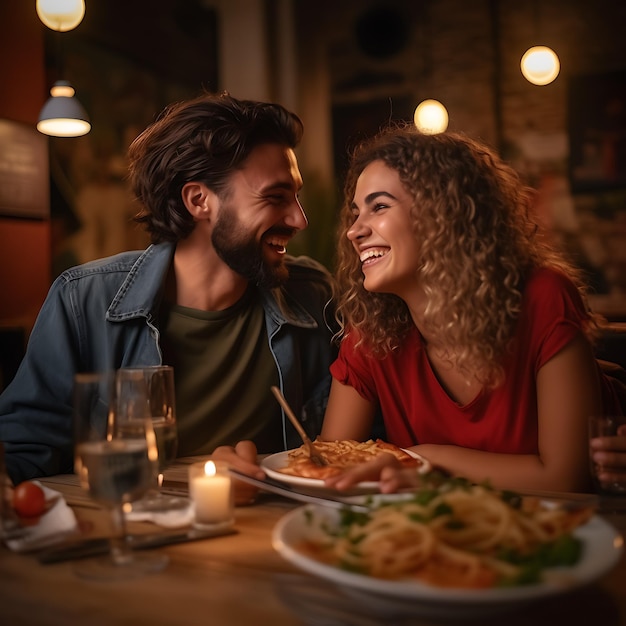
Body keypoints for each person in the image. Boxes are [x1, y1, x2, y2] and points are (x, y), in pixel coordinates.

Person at [0, 93, 336, 489]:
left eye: (295, 196)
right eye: (276, 197)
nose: (300, 218)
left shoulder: (314, 295)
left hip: (279, 537)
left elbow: (351, 445)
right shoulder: (83, 301)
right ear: (199, 200)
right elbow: (21, 455)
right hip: (128, 533)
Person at [318, 124, 626, 494]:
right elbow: (328, 469)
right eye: (355, 213)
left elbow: (564, 479)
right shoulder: (372, 331)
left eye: (379, 206)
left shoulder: (542, 297)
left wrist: (424, 459)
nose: (354, 230)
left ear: (442, 215)